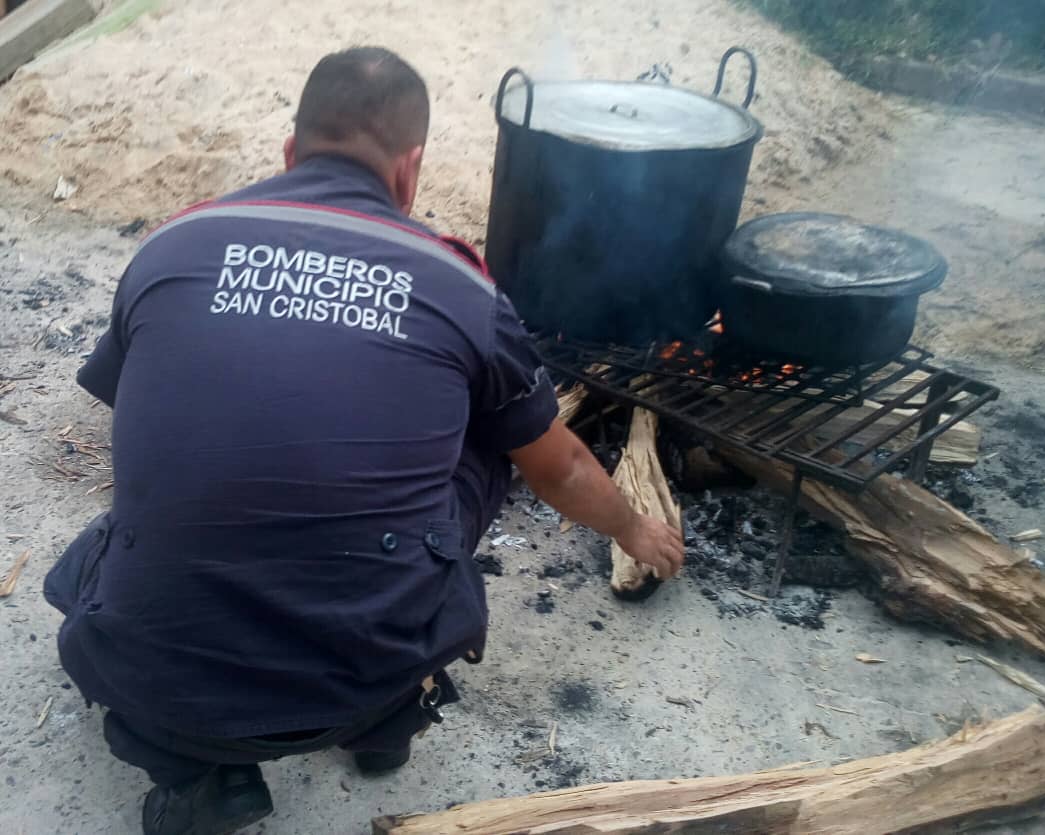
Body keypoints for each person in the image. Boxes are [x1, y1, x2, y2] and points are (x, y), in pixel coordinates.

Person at [44, 47, 684, 835]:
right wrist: (633, 528)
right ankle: (388, 726)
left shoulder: (173, 246)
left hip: (160, 688)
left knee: (130, 520)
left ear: (290, 152)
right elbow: (563, 469)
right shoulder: (459, 283)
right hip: (365, 679)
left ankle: (203, 777)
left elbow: (141, 413)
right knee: (500, 431)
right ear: (410, 170)